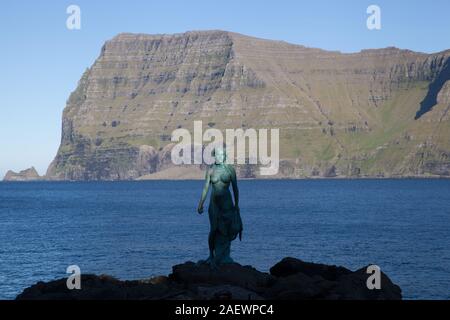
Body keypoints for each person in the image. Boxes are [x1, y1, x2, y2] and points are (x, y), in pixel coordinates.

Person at [197, 147, 243, 267]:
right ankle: (211, 254)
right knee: (213, 230)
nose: (218, 157)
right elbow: (206, 187)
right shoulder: (211, 170)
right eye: (216, 155)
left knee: (227, 230)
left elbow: (235, 188)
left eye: (221, 155)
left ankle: (224, 256)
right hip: (214, 205)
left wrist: (237, 205)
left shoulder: (230, 170)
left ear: (224, 156)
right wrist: (200, 203)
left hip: (227, 204)